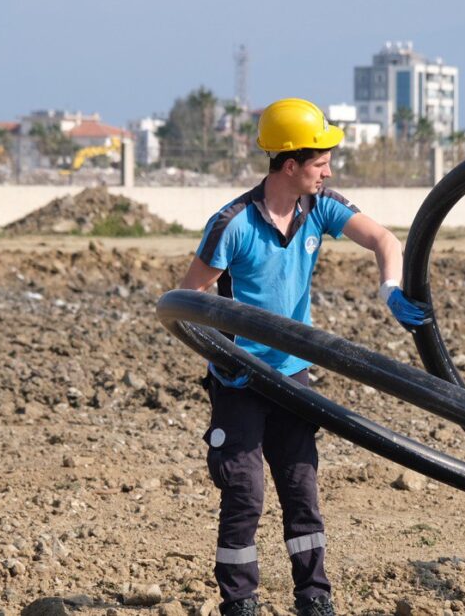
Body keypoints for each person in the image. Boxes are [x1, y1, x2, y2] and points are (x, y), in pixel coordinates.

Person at [179, 98, 432, 616]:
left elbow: (383, 238)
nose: (329, 170)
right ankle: (240, 603)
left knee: (301, 491)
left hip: (294, 378)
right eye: (321, 163)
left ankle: (314, 599)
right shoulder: (233, 224)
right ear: (290, 165)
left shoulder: (320, 206)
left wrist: (389, 290)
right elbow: (187, 304)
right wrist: (226, 361)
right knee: (244, 494)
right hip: (240, 384)